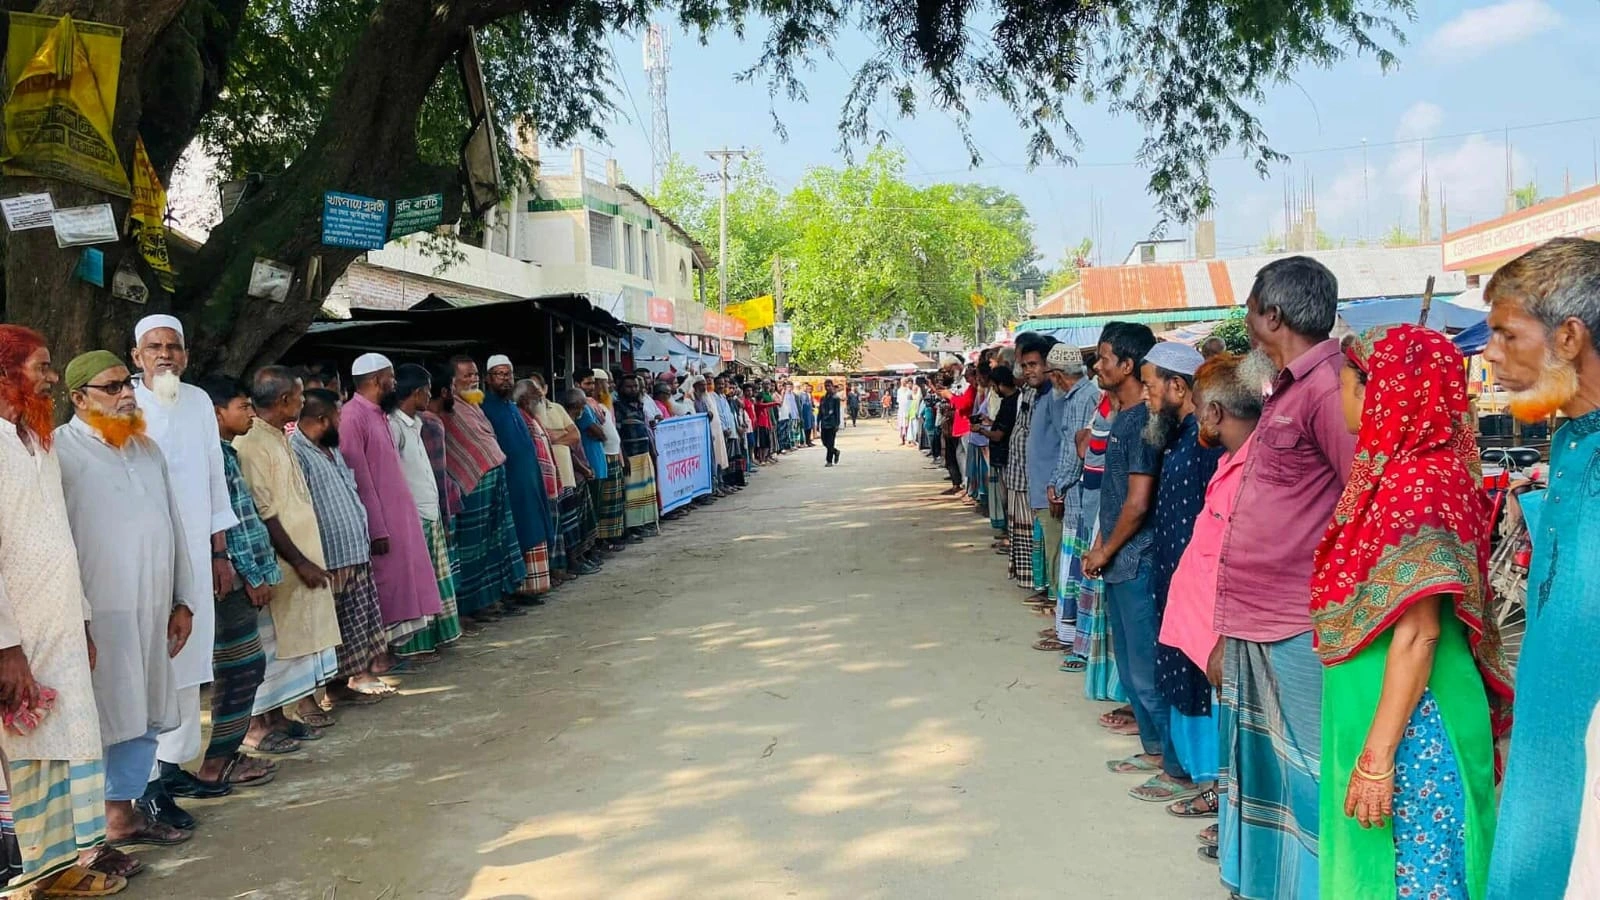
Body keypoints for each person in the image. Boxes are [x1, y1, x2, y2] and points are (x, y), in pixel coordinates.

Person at [1312, 324, 1510, 898]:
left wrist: (1378, 757)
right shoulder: (1413, 471)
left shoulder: (1417, 482)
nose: (1341, 395)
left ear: (1380, 390)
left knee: (1414, 876)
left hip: (1416, 726)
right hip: (1392, 712)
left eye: (1345, 381)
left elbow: (1421, 633)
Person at [1215, 256, 1356, 900]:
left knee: (1307, 772)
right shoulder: (1287, 387)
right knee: (1265, 769)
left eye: (1249, 310)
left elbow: (1360, 499)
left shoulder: (1327, 388)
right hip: (1258, 615)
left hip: (1297, 620)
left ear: (1272, 316)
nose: (1247, 323)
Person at [1480, 238, 1600, 898]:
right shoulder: (1573, 440)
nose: (1490, 354)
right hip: (1548, 749)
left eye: (1506, 333)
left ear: (1569, 337)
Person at [0, 328, 128, 896]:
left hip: (60, 626)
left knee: (69, 745)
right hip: (17, 637)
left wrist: (81, 621)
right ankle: (38, 877)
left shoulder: (37, 440)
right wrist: (6, 648)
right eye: (42, 367)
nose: (52, 378)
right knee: (27, 754)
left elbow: (59, 538)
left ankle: (66, 866)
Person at [55, 351, 197, 853]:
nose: (127, 395)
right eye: (112, 387)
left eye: (127, 384)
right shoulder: (59, 452)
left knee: (145, 711)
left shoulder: (146, 449)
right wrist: (73, 617)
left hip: (154, 607)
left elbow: (173, 524)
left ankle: (123, 816)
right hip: (99, 613)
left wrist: (183, 600)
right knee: (103, 715)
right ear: (79, 398)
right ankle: (91, 833)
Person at [123, 315, 240, 828]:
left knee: (190, 668)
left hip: (195, 553)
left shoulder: (196, 402)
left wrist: (219, 552)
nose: (165, 354)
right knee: (154, 671)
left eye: (173, 346)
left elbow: (215, 478)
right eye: (154, 347)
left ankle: (170, 768)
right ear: (137, 357)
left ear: (186, 356)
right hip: (147, 559)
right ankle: (144, 785)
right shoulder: (124, 404)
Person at [1082, 325, 1188, 800]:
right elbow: (1114, 497)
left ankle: (1175, 766)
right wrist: (1100, 545)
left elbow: (1137, 501)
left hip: (1137, 560)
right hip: (1117, 559)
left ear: (1127, 365)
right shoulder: (1122, 416)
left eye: (1105, 357)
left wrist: (1106, 549)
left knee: (1146, 670)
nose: (1098, 365)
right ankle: (1153, 748)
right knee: (1129, 666)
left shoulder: (1143, 422)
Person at [1159, 353, 1261, 839]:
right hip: (1206, 623)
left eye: (1200, 409)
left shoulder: (1255, 469)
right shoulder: (1229, 461)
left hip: (1227, 631)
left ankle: (1235, 823)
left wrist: (1224, 637)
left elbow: (1245, 560)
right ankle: (1227, 811)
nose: (1197, 417)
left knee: (1239, 730)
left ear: (1215, 412)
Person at [232, 367, 343, 753]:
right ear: (284, 401)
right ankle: (256, 726)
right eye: (299, 397)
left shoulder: (280, 436)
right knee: (270, 646)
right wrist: (299, 562)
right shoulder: (251, 444)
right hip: (277, 567)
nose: (303, 402)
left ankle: (278, 716)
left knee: (289, 647)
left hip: (298, 560)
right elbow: (266, 514)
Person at [1136, 341, 1225, 807]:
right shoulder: (1178, 438)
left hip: (1200, 591)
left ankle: (1210, 784)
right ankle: (1188, 770)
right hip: (1174, 583)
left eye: (1150, 387)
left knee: (1198, 685)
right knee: (1178, 678)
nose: (1146, 396)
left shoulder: (1207, 444)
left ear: (1177, 386)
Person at [195, 376, 279, 793]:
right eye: (243, 407)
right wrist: (255, 575)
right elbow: (231, 527)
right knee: (239, 667)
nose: (250, 414)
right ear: (216, 413)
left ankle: (225, 755)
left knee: (244, 666)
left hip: (239, 575)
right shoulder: (211, 457)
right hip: (232, 579)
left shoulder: (225, 454)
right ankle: (217, 762)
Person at [289, 389, 395, 705]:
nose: (341, 422)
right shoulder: (297, 453)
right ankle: (322, 693)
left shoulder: (331, 449)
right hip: (328, 557)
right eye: (338, 416)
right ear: (323, 420)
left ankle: (342, 687)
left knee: (353, 626)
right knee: (330, 629)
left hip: (354, 551)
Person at [342, 354, 443, 657]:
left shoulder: (380, 414)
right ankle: (376, 659)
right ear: (376, 380)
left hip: (400, 518)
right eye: (391, 378)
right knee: (385, 590)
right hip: (380, 523)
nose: (396, 384)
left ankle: (388, 654)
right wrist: (377, 528)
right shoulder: (352, 417)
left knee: (403, 586)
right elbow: (359, 478)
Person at [434, 356, 529, 622]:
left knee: (496, 541)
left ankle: (494, 598)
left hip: (493, 478)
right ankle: (472, 604)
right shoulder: (447, 408)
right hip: (473, 487)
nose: (473, 379)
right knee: (474, 548)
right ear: (452, 381)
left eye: (475, 374)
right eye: (467, 375)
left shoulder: (474, 404)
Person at [387, 364, 464, 657]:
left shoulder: (416, 423)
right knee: (418, 583)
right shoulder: (393, 426)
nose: (431, 396)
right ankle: (415, 646)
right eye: (428, 391)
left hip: (429, 512)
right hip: (413, 516)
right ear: (417, 392)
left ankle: (435, 639)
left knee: (434, 581)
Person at [1038, 343, 1099, 651]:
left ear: (1058, 375)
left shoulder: (1081, 399)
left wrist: (1058, 486)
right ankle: (1066, 630)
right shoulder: (1083, 395)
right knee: (1070, 566)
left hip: (1077, 496)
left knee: (1074, 568)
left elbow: (1075, 454)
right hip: (1075, 493)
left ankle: (1071, 635)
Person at [481, 357, 556, 599]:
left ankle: (533, 587)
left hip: (529, 482)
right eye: (499, 374)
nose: (506, 379)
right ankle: (516, 590)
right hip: (510, 483)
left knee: (534, 527)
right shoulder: (485, 409)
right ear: (488, 379)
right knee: (516, 534)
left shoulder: (513, 407)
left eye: (509, 374)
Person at [1002, 334, 1049, 591]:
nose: (1025, 370)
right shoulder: (1029, 392)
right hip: (1020, 473)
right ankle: (1029, 578)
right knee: (1021, 529)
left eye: (1031, 364)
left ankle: (1039, 584)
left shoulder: (1047, 395)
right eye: (1023, 364)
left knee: (1033, 532)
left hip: (1033, 478)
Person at [585, 370, 630, 550]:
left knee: (615, 501)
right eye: (606, 383)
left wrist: (621, 457)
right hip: (603, 456)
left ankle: (613, 536)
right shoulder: (590, 405)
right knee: (605, 502)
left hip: (613, 455)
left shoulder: (604, 405)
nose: (610, 386)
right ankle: (602, 539)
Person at [615, 374, 662, 538]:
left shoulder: (640, 406)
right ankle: (631, 527)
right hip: (630, 456)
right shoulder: (618, 407)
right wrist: (624, 457)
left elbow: (645, 429)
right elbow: (617, 434)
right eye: (629, 387)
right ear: (621, 388)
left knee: (644, 491)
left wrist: (652, 450)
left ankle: (642, 524)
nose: (633, 389)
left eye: (635, 386)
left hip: (644, 454)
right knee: (631, 494)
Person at [819, 380, 843, 466]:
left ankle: (829, 461)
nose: (827, 388)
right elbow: (820, 411)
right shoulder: (823, 398)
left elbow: (837, 412)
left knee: (830, 442)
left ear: (832, 386)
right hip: (824, 423)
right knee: (824, 442)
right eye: (826, 386)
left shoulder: (835, 398)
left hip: (832, 423)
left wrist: (837, 424)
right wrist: (818, 421)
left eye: (829, 386)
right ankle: (835, 451)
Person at [897, 378, 914, 444]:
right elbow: (898, 400)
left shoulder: (909, 391)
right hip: (901, 410)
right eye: (902, 382)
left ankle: (907, 438)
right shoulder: (899, 390)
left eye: (904, 381)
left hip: (908, 410)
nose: (903, 383)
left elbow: (911, 400)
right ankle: (902, 439)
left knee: (907, 425)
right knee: (901, 425)